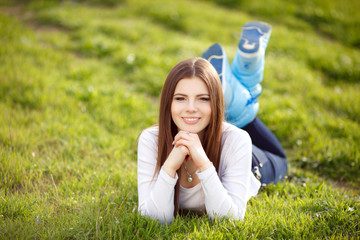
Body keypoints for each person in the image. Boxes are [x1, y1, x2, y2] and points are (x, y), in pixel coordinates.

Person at [137, 21, 287, 224]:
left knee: (281, 161)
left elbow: (229, 220)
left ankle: (236, 102)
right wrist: (170, 165)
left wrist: (202, 161)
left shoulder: (237, 140)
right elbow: (153, 219)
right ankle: (239, 88)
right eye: (180, 98)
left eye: (203, 98)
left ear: (215, 103)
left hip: (248, 160)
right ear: (168, 103)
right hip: (214, 122)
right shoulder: (150, 139)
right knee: (232, 113)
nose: (190, 107)